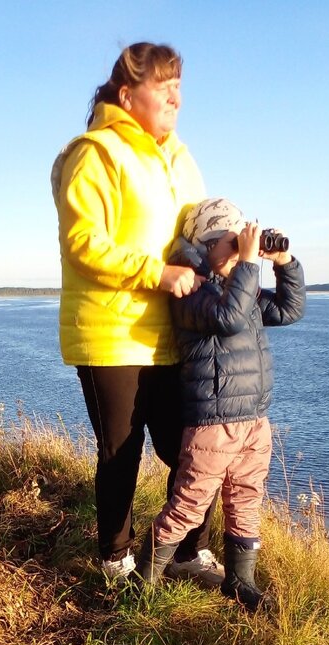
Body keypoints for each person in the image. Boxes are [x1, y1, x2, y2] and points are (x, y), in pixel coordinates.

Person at [51, 43, 222, 583]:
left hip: (174, 333)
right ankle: (116, 559)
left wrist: (228, 252)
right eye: (163, 85)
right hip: (111, 331)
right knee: (121, 454)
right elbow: (84, 243)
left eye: (180, 86)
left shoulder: (181, 157)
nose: (176, 96)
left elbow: (197, 232)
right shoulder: (95, 153)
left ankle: (185, 551)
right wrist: (159, 273)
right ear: (128, 95)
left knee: (196, 450)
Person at [135, 197, 306, 610]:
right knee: (190, 504)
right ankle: (142, 585)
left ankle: (239, 581)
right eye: (230, 242)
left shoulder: (239, 287)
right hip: (213, 418)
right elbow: (227, 319)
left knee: (246, 499)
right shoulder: (191, 290)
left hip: (253, 419)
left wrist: (284, 262)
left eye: (240, 241)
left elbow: (290, 309)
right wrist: (247, 265)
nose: (238, 250)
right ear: (206, 245)